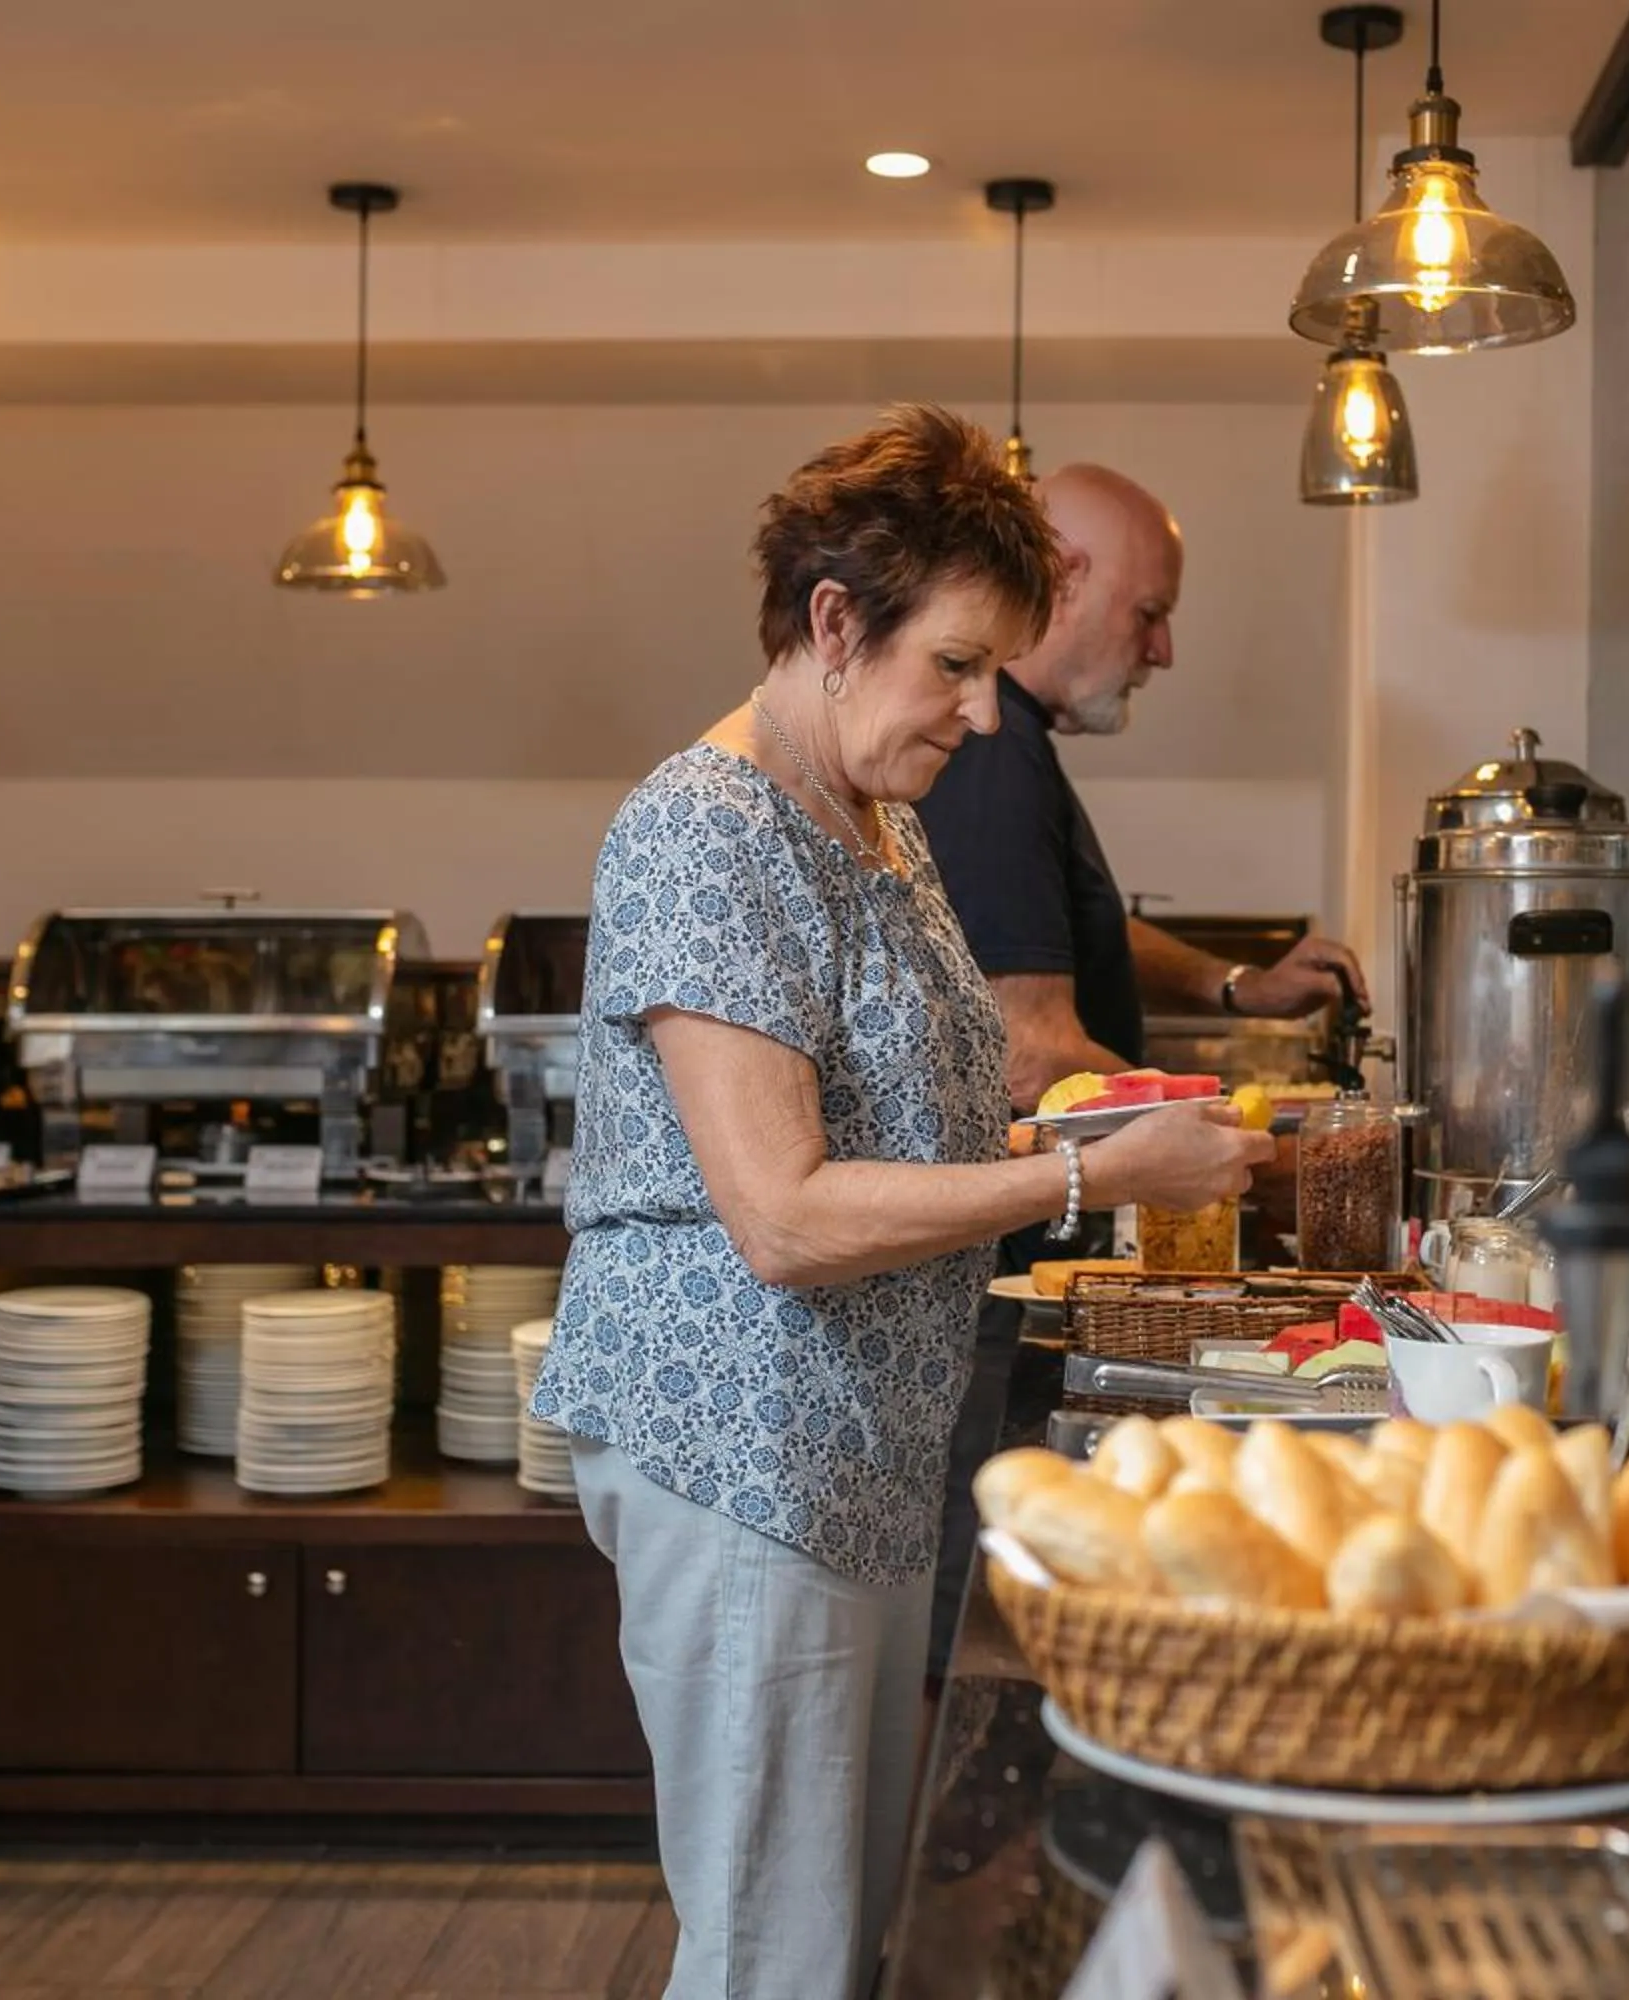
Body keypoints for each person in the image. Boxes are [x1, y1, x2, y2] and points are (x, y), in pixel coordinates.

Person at [535, 405, 1271, 2000]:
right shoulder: (703, 830)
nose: (984, 711)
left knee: (846, 1927)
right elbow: (783, 1215)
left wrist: (1107, 1119)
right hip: (742, 1450)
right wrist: (1092, 1172)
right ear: (833, 624)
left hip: (859, 1446)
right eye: (955, 664)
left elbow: (924, 1109)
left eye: (997, 669)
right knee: (776, 1953)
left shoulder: (878, 822)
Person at [912, 461, 1370, 1109]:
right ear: (1065, 580)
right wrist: (1225, 1128)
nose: (1163, 651)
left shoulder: (1016, 737)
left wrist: (1238, 985)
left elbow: (1064, 928)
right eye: (1148, 614)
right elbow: (1034, 1057)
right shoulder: (997, 748)